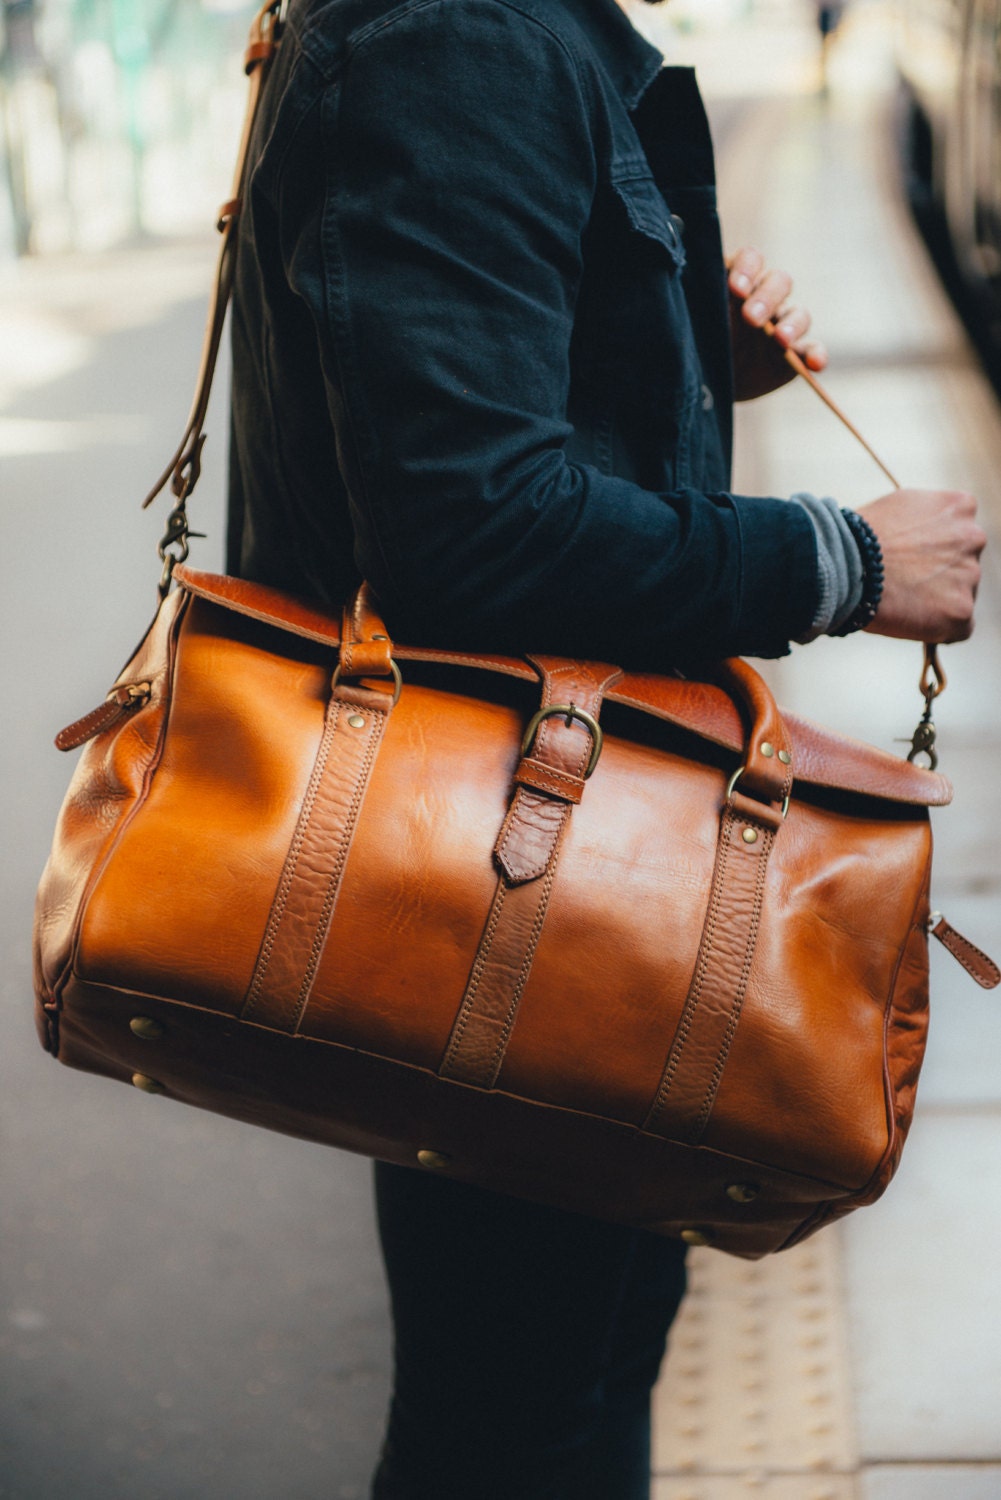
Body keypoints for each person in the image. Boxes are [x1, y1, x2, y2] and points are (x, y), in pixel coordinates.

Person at [226, 0, 985, 1494]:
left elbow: (447, 398)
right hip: (501, 875)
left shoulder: (503, 32)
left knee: (571, 1360)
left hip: (542, 848)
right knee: (519, 1411)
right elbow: (469, 525)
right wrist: (841, 561)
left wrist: (677, 351)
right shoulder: (462, 36)